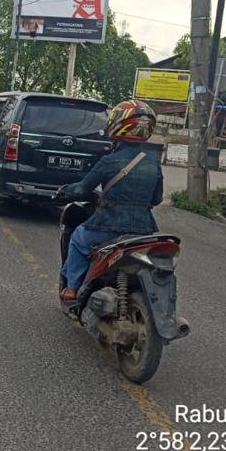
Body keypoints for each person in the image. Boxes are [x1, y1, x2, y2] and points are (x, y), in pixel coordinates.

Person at [56, 99, 163, 302]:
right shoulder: (153, 163)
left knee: (78, 238)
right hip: (143, 230)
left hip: (108, 225)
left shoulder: (109, 161)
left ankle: (72, 288)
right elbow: (156, 199)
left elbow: (82, 189)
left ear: (117, 125)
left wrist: (65, 190)